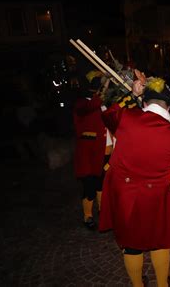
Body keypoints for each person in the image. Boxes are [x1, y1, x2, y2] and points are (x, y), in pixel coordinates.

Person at [99, 77, 170, 287]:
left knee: (131, 245)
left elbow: (107, 114)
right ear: (168, 106)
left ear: (145, 103)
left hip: (126, 195)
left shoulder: (126, 119)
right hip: (157, 196)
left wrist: (131, 94)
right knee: (159, 241)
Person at [72, 70, 109, 230]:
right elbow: (92, 105)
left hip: (103, 153)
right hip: (88, 156)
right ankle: (88, 217)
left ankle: (103, 211)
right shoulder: (81, 104)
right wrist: (104, 85)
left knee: (101, 184)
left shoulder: (102, 104)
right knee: (89, 188)